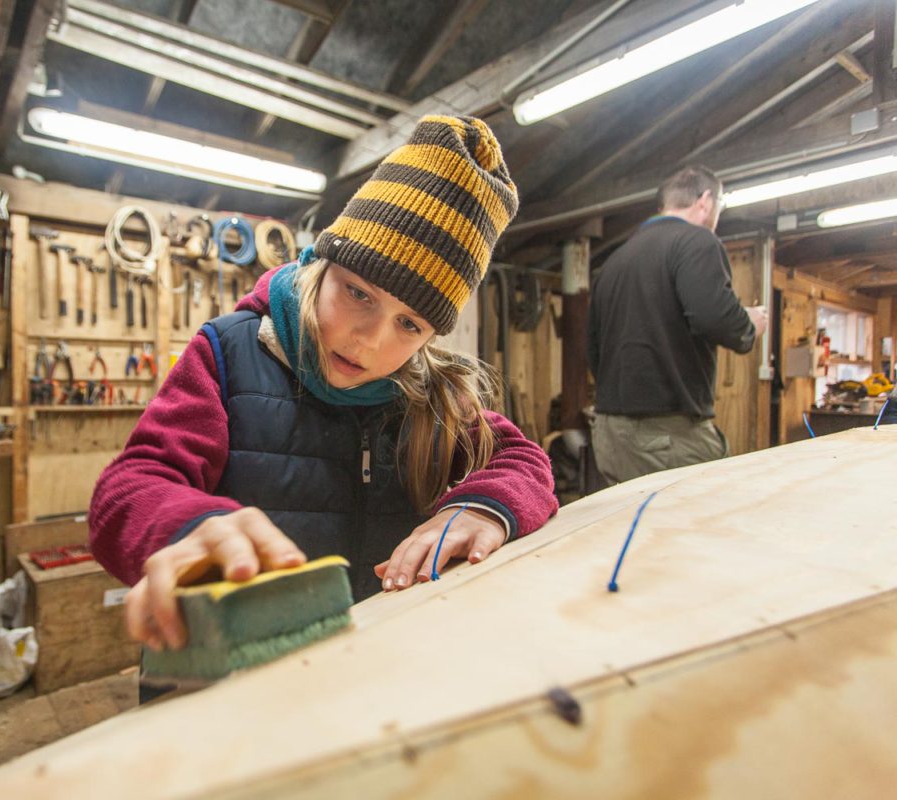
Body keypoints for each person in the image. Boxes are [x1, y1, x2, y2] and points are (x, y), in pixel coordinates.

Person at [89, 115, 558, 653]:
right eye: (358, 293)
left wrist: (482, 506)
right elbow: (129, 485)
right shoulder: (230, 353)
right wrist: (183, 526)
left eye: (410, 324)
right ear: (321, 263)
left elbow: (525, 461)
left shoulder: (432, 396)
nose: (369, 341)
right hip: (231, 672)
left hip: (369, 668)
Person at [587, 165, 768, 484]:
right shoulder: (697, 241)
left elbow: (593, 349)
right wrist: (748, 324)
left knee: (634, 528)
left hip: (610, 433)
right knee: (704, 523)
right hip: (666, 436)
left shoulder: (615, 261)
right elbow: (714, 316)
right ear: (706, 201)